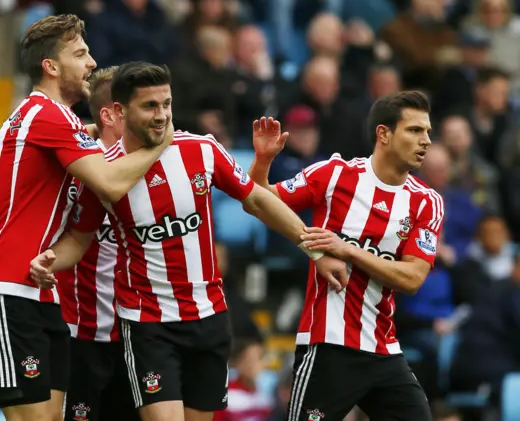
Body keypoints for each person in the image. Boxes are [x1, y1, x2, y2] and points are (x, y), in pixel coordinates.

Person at [29, 62, 347, 421]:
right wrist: (47, 260)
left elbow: (258, 199)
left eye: (166, 104)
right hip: (147, 323)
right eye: (150, 106)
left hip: (208, 317)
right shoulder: (102, 173)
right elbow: (79, 239)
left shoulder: (202, 151)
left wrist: (316, 251)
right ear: (119, 111)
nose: (162, 115)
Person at [0, 16, 174, 421]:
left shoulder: (63, 126)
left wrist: (49, 261)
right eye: (79, 54)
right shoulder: (45, 115)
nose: (91, 62)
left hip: (39, 295)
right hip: (5, 290)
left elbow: (77, 237)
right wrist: (158, 143)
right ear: (51, 67)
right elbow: (111, 184)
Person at [248, 90, 445, 421]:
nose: (425, 140)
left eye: (427, 131)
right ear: (384, 134)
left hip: (384, 347)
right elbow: (259, 201)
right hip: (329, 344)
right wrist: (263, 161)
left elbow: (412, 278)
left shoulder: (427, 202)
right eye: (414, 130)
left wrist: (349, 250)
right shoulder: (335, 174)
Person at [56, 65, 139, 421]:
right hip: (81, 335)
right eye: (141, 108)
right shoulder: (71, 170)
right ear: (111, 115)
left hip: (141, 335)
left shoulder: (160, 168)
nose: (158, 118)